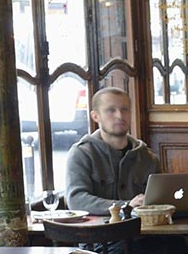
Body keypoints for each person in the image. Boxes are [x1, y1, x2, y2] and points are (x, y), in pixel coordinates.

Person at [64, 87, 161, 215]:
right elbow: (76, 200)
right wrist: (126, 206)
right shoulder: (81, 154)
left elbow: (160, 199)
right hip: (97, 232)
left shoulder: (148, 158)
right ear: (95, 116)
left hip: (143, 232)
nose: (120, 116)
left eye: (125, 109)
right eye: (111, 110)